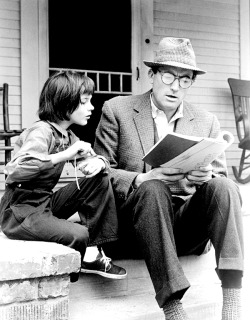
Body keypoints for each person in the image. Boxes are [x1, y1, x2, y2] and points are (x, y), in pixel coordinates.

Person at [94, 37, 244, 319]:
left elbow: (222, 184)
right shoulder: (117, 111)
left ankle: (233, 303)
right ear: (151, 75)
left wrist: (207, 175)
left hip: (185, 228)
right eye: (168, 76)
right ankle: (174, 309)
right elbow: (100, 175)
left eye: (185, 79)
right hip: (136, 228)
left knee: (224, 186)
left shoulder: (206, 120)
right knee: (152, 187)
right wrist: (141, 179)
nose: (176, 86)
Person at [0, 70, 126, 281]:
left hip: (45, 204)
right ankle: (79, 264)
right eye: (85, 102)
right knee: (78, 234)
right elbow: (14, 170)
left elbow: (95, 159)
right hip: (19, 212)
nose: (91, 107)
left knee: (100, 179)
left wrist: (97, 162)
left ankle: (94, 250)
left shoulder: (66, 135)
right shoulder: (41, 131)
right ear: (64, 102)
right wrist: (63, 156)